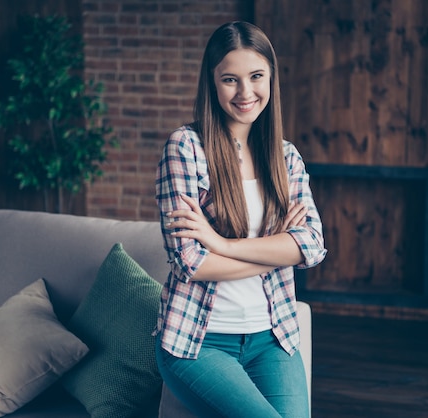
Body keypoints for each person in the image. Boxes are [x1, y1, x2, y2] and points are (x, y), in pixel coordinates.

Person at [154, 21, 327, 418]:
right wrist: (279, 250)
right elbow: (191, 263)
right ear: (212, 83)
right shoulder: (185, 148)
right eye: (230, 79)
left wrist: (223, 244)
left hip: (273, 336)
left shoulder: (286, 157)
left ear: (271, 78)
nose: (245, 92)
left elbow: (312, 245)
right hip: (198, 342)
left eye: (256, 76)